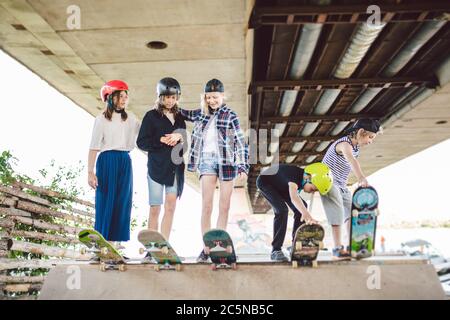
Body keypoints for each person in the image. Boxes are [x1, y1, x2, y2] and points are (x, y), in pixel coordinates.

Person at [179, 79, 249, 262]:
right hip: (206, 161)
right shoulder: (200, 114)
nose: (211, 100)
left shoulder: (231, 115)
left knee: (224, 206)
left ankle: (220, 245)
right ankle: (206, 247)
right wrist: (167, 102)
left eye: (215, 97)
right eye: (208, 97)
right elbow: (181, 112)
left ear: (222, 96)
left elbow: (240, 142)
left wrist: (243, 165)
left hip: (227, 163)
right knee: (207, 206)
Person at [88, 79, 140, 248]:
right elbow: (94, 146)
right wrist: (90, 171)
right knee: (106, 199)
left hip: (125, 160)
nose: (124, 99)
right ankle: (103, 242)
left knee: (123, 200)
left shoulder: (131, 118)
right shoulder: (101, 119)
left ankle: (115, 244)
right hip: (107, 160)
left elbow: (146, 134)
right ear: (110, 98)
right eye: (120, 96)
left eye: (126, 96)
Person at [321, 119, 382, 258]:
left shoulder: (356, 148)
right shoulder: (344, 144)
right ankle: (337, 248)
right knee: (336, 213)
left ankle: (352, 245)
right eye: (370, 137)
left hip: (341, 186)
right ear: (361, 132)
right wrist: (361, 177)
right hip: (327, 184)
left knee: (351, 214)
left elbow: (345, 166)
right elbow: (351, 160)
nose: (371, 141)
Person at [137, 77, 186, 241]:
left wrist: (180, 136)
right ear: (160, 97)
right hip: (156, 168)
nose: (170, 100)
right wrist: (160, 140)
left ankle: (164, 245)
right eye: (166, 97)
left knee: (170, 207)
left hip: (175, 168)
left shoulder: (179, 117)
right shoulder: (151, 116)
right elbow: (141, 142)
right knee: (155, 208)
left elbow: (183, 145)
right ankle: (152, 247)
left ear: (177, 97)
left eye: (173, 97)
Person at [256, 163, 333, 261]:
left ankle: (294, 245)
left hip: (281, 185)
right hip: (265, 182)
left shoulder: (302, 180)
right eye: (314, 189)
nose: (313, 192)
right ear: (308, 179)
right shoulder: (294, 177)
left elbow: (297, 202)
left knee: (302, 207)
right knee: (281, 210)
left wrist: (304, 212)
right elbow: (294, 198)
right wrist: (307, 215)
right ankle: (276, 250)